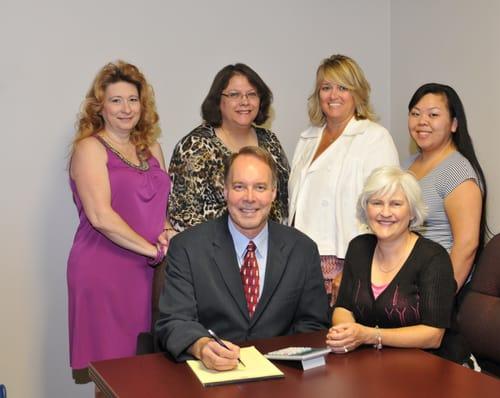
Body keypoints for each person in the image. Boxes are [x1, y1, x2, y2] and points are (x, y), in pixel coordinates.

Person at [156, 146, 329, 370]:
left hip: (281, 376)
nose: (249, 198)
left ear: (274, 192)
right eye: (239, 187)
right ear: (225, 190)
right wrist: (202, 346)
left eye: (260, 187)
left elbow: (313, 324)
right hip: (210, 376)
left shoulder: (303, 250)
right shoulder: (188, 248)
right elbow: (174, 320)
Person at [67, 61, 173, 382]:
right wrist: (152, 251)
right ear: (100, 107)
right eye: (116, 100)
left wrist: (168, 234)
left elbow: (160, 208)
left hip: (151, 275)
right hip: (105, 272)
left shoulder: (152, 147)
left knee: (150, 372)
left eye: (133, 99)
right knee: (113, 375)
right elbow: (100, 216)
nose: (126, 108)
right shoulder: (89, 148)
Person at [288, 54, 399, 303]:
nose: (333, 95)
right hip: (302, 260)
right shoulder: (307, 138)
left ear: (357, 93)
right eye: (326, 88)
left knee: (341, 337)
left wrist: (353, 269)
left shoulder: (374, 138)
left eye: (342, 87)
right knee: (307, 337)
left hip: (347, 261)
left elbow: (385, 211)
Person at [326, 166, 464, 363]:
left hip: (432, 367)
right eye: (376, 203)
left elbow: (433, 336)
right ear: (366, 209)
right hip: (372, 363)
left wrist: (367, 335)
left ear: (412, 212)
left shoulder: (433, 258)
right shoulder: (359, 247)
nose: (385, 212)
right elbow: (343, 307)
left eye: (396, 204)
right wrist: (347, 333)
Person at [168, 63, 289, 231]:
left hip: (269, 250)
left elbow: (284, 202)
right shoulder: (196, 146)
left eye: (251, 94)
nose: (244, 101)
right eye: (234, 95)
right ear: (218, 101)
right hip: (212, 252)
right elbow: (182, 216)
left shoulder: (270, 141)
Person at [403, 83, 487, 290]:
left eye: (433, 115)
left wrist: (440, 297)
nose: (422, 121)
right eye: (415, 113)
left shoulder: (457, 172)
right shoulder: (404, 166)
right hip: (405, 282)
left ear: (453, 124)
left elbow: (466, 246)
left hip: (433, 285)